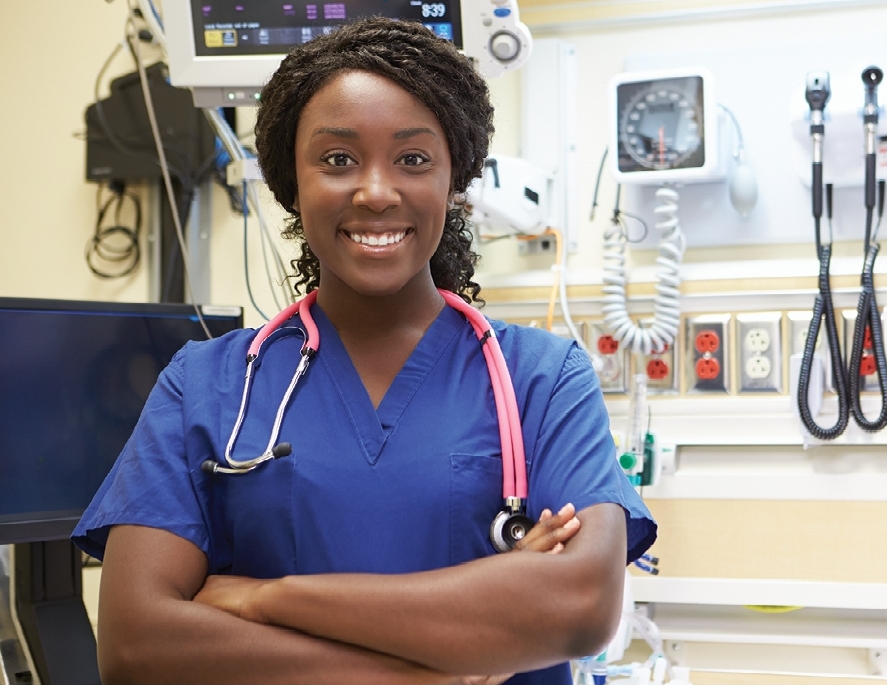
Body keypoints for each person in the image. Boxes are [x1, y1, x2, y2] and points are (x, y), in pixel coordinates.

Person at [72, 16, 656, 685]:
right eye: (338, 159)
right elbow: (137, 644)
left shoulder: (542, 379)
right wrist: (437, 663)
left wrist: (264, 596)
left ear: (453, 180)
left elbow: (581, 605)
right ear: (291, 181)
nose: (375, 191)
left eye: (413, 159)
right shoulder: (205, 385)